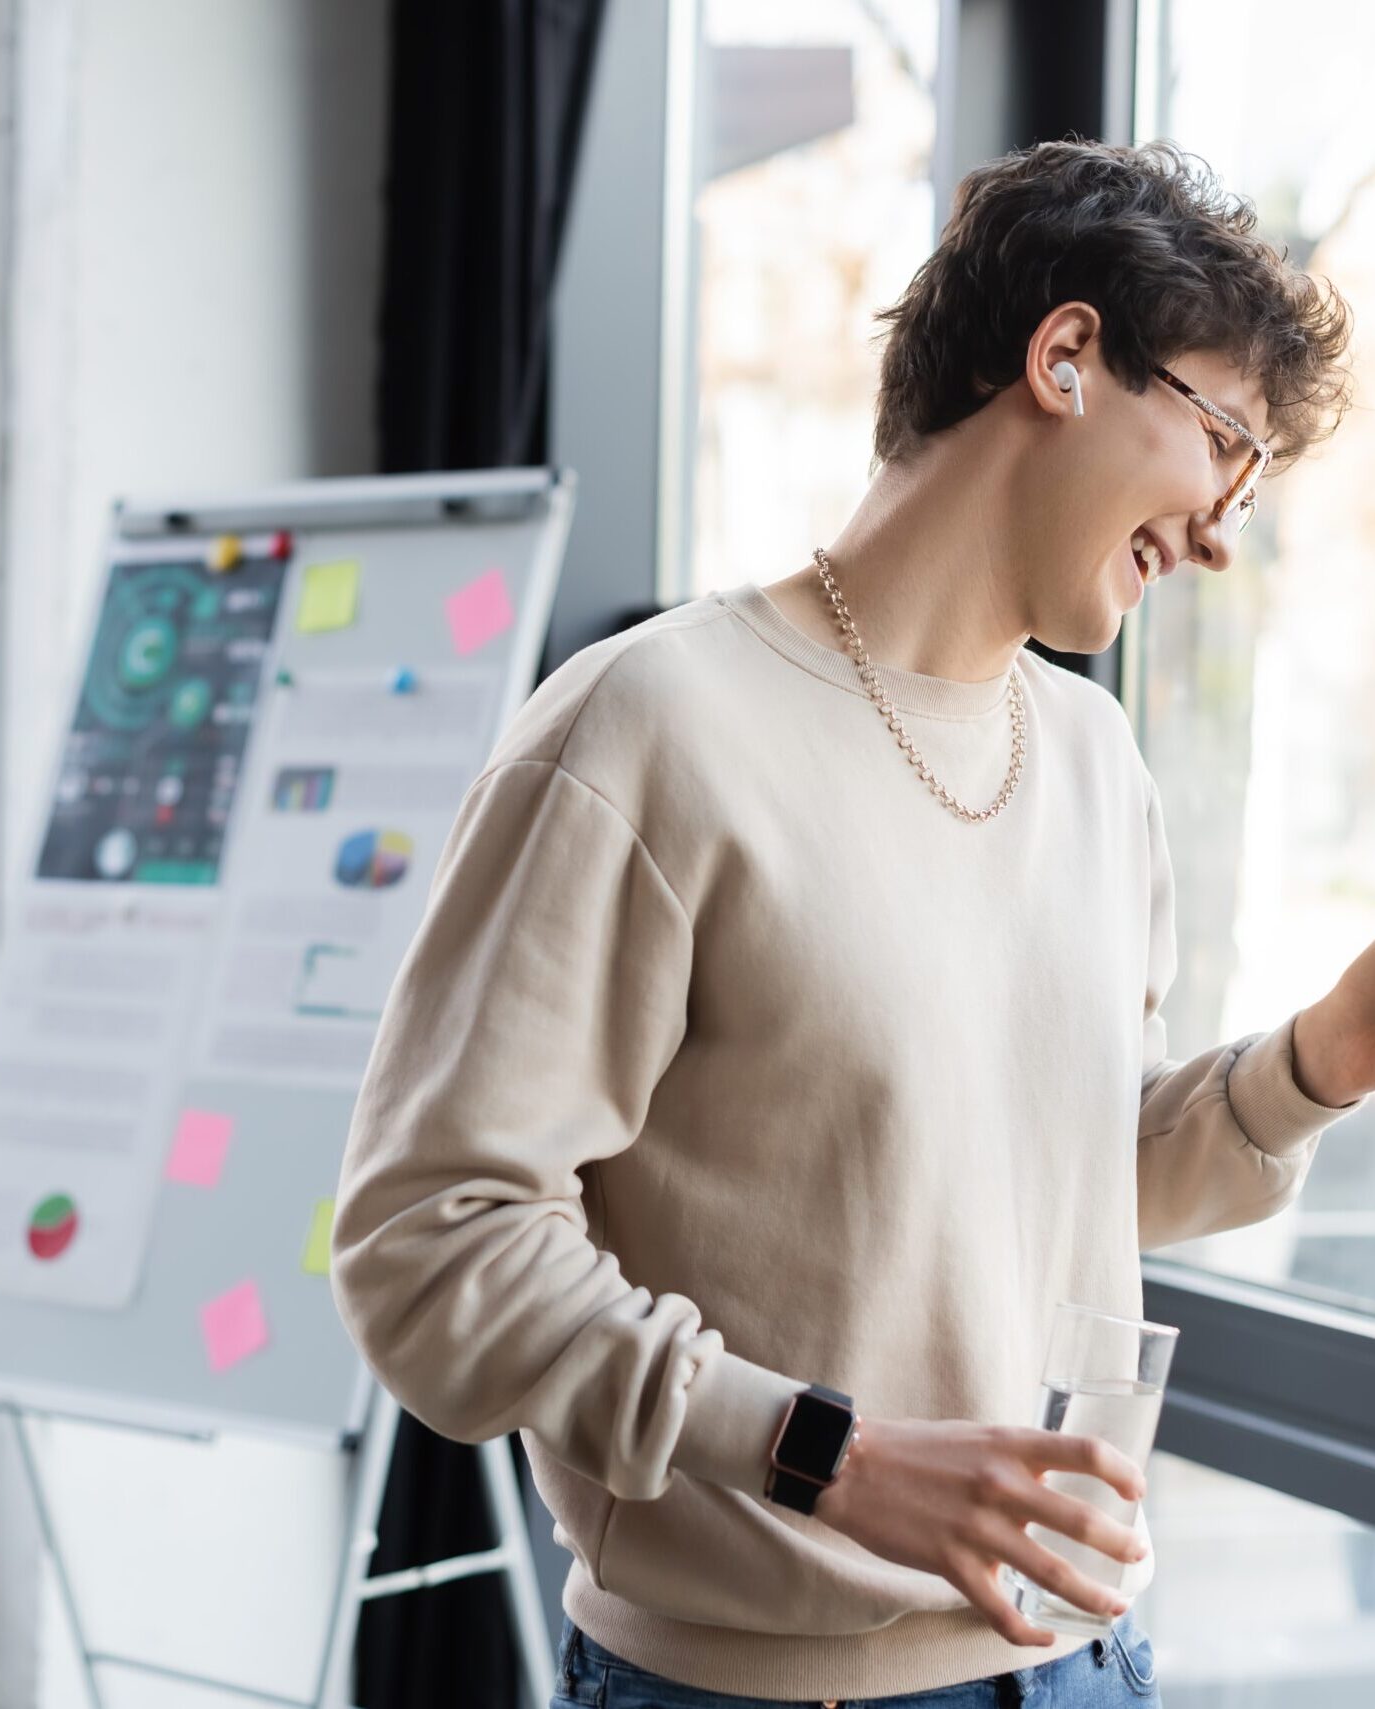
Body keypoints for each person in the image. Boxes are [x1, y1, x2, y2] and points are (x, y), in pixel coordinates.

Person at [329, 137, 1375, 1708]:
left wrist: (1326, 1055)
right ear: (1068, 355)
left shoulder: (1096, 763)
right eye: (1222, 444)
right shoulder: (648, 729)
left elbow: (1063, 1179)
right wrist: (821, 1451)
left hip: (1089, 1661)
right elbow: (429, 1244)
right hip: (750, 1689)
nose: (1222, 531)